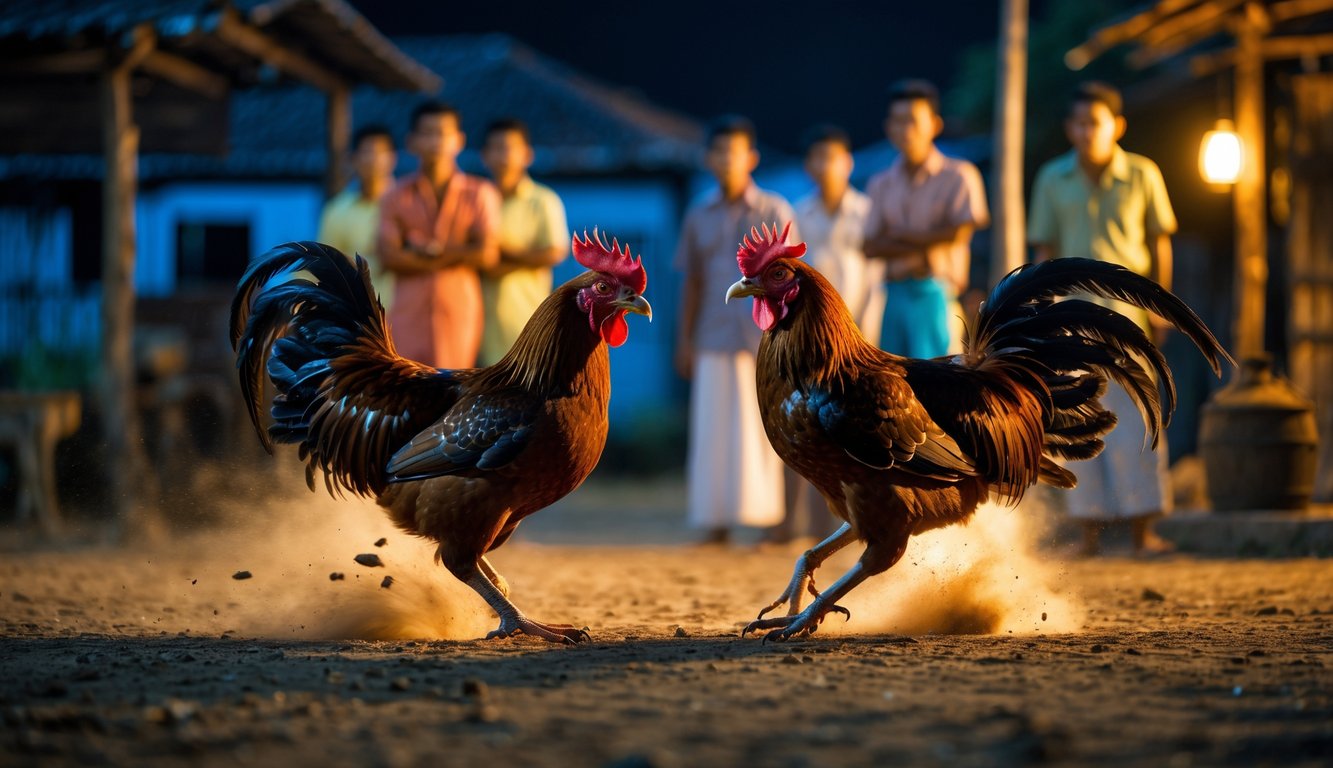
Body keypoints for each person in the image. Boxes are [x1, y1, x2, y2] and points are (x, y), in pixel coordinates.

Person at [1027, 81, 1178, 557]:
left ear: (1118, 126)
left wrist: (1164, 306)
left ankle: (1142, 531)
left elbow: (1160, 242)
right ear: (1069, 129)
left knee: (1137, 415)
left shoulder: (1142, 173)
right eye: (1079, 123)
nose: (1087, 131)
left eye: (1096, 122)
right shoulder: (1053, 177)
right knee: (1076, 416)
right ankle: (1086, 531)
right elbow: (1043, 250)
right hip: (1070, 313)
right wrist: (1040, 310)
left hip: (1130, 311)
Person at [675, 115, 797, 546]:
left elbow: (793, 279)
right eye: (720, 151)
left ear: (752, 158)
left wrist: (790, 339)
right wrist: (683, 340)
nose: (727, 159)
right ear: (709, 158)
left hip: (762, 337)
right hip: (710, 332)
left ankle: (767, 520)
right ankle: (715, 521)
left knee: (763, 428)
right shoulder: (697, 214)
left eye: (736, 151)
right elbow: (689, 281)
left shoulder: (774, 210)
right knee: (712, 429)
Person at [778, 124, 876, 544]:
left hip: (856, 332)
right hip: (807, 337)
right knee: (797, 422)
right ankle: (790, 522)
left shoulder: (868, 212)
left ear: (848, 162)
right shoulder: (799, 214)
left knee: (842, 431)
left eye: (832, 157)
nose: (825, 166)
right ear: (808, 165)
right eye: (817, 158)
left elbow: (875, 278)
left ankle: (836, 522)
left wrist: (866, 333)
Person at [864, 79, 989, 358]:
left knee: (942, 383)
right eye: (898, 121)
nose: (905, 130)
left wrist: (896, 236)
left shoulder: (959, 174)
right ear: (888, 128)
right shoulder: (880, 183)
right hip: (893, 295)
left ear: (934, 124)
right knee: (893, 385)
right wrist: (931, 239)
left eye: (913, 121)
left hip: (937, 294)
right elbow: (869, 247)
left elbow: (958, 234)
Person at [378, 101, 500, 369]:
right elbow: (388, 257)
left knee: (454, 393)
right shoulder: (394, 195)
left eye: (442, 133)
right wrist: (459, 253)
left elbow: (487, 255)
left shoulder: (479, 193)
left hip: (459, 312)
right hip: (407, 313)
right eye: (427, 133)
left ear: (459, 140)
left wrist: (425, 252)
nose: (435, 141)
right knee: (407, 392)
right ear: (412, 142)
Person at [477, 118, 570, 365]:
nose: (503, 156)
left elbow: (554, 252)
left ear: (527, 154)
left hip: (527, 320)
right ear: (484, 156)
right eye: (496, 148)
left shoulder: (542, 200)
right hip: (481, 326)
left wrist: (499, 253)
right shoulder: (476, 199)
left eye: (510, 147)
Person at [318, 125, 398, 308]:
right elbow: (325, 266)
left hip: (403, 314)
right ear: (353, 159)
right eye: (366, 152)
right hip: (355, 316)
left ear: (393, 158)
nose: (373, 160)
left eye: (380, 153)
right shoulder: (336, 211)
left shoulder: (409, 204)